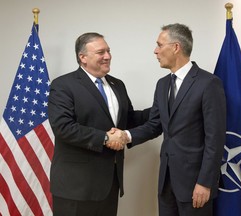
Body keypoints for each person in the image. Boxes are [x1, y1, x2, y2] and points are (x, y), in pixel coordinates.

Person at [113, 23, 226, 216]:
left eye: (159, 45)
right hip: (166, 182)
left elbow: (215, 139)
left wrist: (205, 182)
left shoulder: (208, 83)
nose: (155, 51)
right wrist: (126, 135)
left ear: (176, 47)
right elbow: (155, 124)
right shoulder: (162, 84)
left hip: (196, 184)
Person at [48, 32, 150, 216]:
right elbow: (63, 127)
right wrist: (104, 138)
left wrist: (163, 108)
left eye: (108, 51)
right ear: (83, 57)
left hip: (109, 185)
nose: (108, 56)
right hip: (75, 188)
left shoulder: (117, 85)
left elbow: (129, 119)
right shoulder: (63, 85)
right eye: (101, 52)